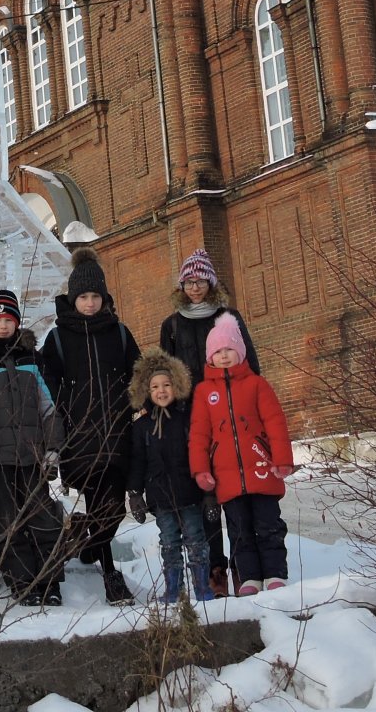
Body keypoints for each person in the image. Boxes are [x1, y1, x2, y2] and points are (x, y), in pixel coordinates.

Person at [156, 249, 258, 596]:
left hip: (230, 417)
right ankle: (216, 571)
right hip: (191, 420)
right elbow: (165, 372)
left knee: (238, 496)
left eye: (199, 281)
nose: (194, 288)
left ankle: (246, 570)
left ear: (210, 283)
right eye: (188, 282)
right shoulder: (171, 325)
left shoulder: (228, 318)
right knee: (206, 498)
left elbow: (251, 366)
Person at [40, 248, 139, 606]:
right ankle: (111, 575)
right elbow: (46, 378)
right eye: (83, 296)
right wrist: (61, 409)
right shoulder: (58, 338)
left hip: (117, 433)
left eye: (96, 296)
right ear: (73, 298)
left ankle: (84, 537)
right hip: (80, 436)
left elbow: (139, 374)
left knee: (112, 509)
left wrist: (137, 401)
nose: (90, 302)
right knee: (101, 502)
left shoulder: (120, 333)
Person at [0, 288, 63, 606]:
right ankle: (22, 582)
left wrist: (52, 448)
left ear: (17, 322)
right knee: (7, 522)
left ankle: (49, 581)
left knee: (43, 519)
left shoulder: (31, 360)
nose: (3, 325)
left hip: (32, 455)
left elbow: (48, 408)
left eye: (8, 319)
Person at [189, 314, 292, 596]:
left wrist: (282, 459)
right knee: (239, 530)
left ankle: (274, 574)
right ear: (210, 357)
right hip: (227, 478)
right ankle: (249, 578)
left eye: (229, 350)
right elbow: (199, 433)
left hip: (262, 470)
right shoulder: (203, 392)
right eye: (217, 352)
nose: (223, 356)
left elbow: (275, 421)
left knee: (268, 525)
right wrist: (201, 469)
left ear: (241, 352)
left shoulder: (257, 384)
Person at [125, 350, 210, 605]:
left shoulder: (187, 418)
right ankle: (174, 589)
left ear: (177, 385)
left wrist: (209, 492)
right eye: (154, 387)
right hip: (160, 496)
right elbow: (138, 461)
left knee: (196, 540)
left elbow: (200, 453)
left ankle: (202, 586)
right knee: (169, 543)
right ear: (146, 391)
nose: (161, 391)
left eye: (166, 385)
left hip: (189, 492)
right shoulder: (142, 426)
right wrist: (135, 493)